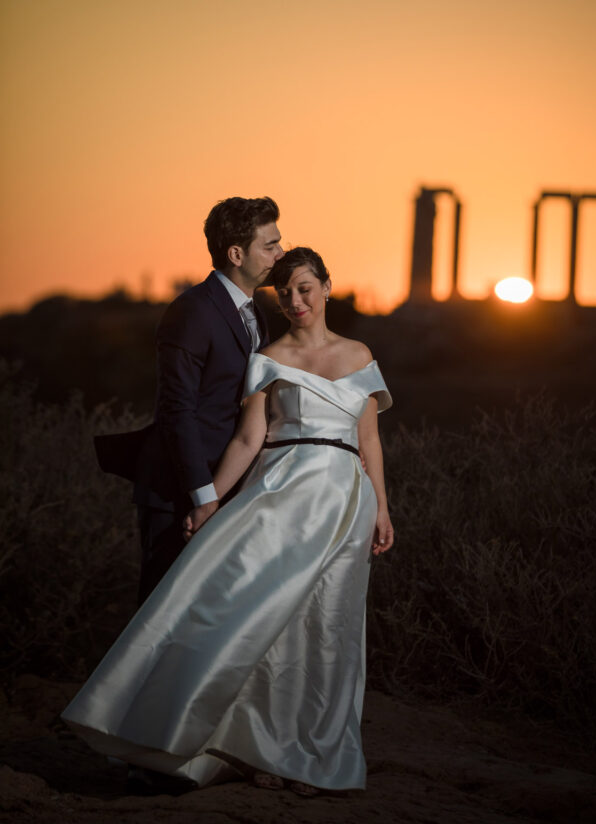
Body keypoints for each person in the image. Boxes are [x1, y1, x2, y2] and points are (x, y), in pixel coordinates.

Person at [63, 247, 394, 797]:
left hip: (345, 504)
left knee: (329, 629)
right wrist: (208, 501)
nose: (295, 301)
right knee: (262, 620)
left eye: (306, 288)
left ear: (328, 287)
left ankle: (312, 751)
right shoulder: (268, 356)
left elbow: (370, 439)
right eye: (284, 292)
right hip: (281, 496)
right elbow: (248, 439)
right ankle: (254, 746)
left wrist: (382, 506)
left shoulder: (360, 355)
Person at [94, 196, 283, 604]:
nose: (279, 254)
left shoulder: (257, 315)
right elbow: (176, 410)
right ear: (236, 253)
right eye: (269, 245)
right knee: (162, 611)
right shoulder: (192, 311)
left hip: (231, 487)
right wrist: (204, 496)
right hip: (179, 491)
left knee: (210, 615)